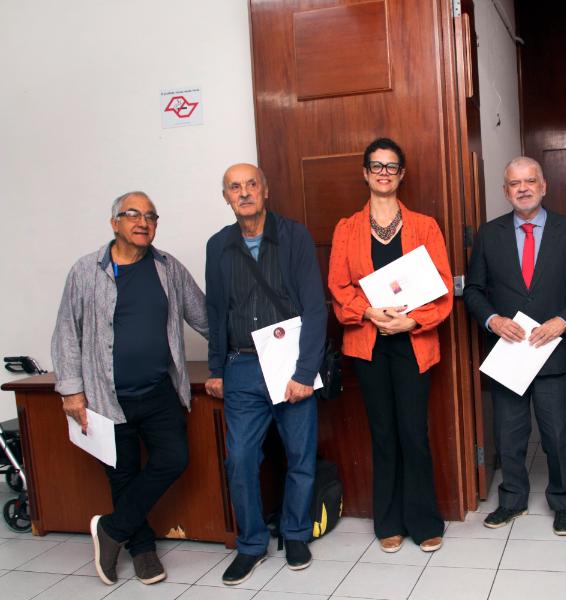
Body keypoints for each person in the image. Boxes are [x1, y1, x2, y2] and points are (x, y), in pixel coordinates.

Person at [51, 191, 207, 586]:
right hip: (106, 396)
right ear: (114, 223)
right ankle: (142, 549)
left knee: (174, 459)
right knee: (122, 475)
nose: (143, 222)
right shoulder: (86, 271)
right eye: (133, 214)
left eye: (151, 216)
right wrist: (71, 390)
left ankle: (111, 529)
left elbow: (204, 316)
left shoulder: (168, 268)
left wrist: (247, 347)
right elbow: (67, 332)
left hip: (158, 391)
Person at [464, 156, 566, 536]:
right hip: (509, 353)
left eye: (530, 181)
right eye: (515, 183)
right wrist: (493, 320)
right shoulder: (489, 234)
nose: (523, 188)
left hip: (553, 351)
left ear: (543, 186)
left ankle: (562, 501)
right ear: (505, 191)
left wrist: (562, 322)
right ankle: (512, 500)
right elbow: (473, 290)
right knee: (509, 433)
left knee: (557, 434)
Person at [328, 138, 453, 553]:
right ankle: (389, 522)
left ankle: (424, 521)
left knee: (414, 433)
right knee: (383, 435)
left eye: (391, 166)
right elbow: (338, 287)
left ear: (402, 174)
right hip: (369, 346)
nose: (384, 173)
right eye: (377, 166)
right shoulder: (347, 228)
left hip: (413, 344)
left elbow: (443, 286)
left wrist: (411, 321)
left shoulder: (425, 226)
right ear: (365, 173)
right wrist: (369, 312)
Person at [205, 163, 327, 585]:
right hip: (241, 366)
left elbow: (314, 308)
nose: (244, 193)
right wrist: (216, 367)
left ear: (265, 190)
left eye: (251, 184)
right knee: (240, 459)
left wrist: (305, 372)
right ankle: (252, 544)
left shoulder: (294, 236)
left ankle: (295, 534)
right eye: (234, 187)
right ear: (226, 196)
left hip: (290, 364)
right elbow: (215, 311)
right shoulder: (218, 245)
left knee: (300, 455)